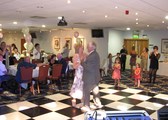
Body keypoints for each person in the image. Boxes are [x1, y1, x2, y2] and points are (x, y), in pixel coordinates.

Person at [81, 41, 103, 112]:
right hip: (94, 77)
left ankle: (87, 106)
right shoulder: (94, 54)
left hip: (90, 77)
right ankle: (98, 103)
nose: (87, 47)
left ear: (93, 47)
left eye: (88, 46)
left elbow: (88, 67)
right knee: (95, 90)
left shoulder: (93, 55)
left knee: (86, 91)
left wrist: (82, 62)